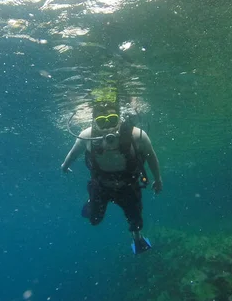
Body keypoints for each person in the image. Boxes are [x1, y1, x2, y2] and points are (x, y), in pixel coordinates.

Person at [61, 99, 163, 254]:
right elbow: (73, 153)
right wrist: (65, 166)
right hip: (101, 185)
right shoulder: (86, 135)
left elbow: (151, 158)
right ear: (94, 122)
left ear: (120, 118)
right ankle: (91, 200)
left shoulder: (137, 135)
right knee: (94, 220)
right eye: (102, 122)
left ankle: (137, 238)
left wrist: (158, 179)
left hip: (128, 185)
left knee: (136, 220)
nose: (108, 126)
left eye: (112, 120)